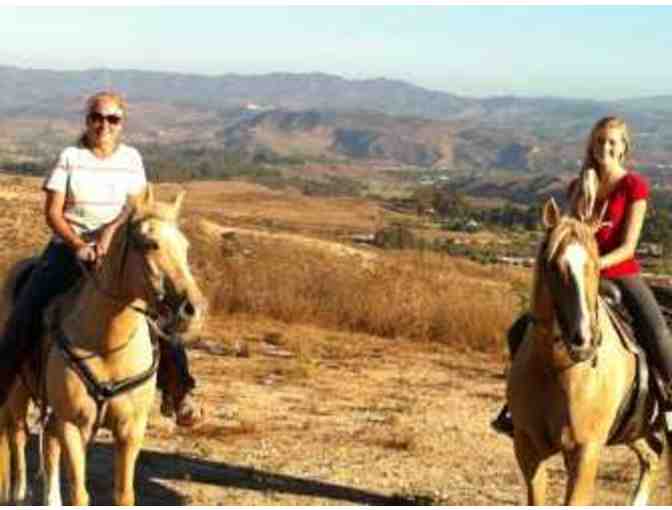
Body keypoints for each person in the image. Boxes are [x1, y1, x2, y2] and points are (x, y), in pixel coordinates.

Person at [0, 91, 200, 426]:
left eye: (112, 119)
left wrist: (108, 235)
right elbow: (53, 212)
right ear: (87, 120)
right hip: (68, 250)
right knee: (25, 311)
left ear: (121, 123)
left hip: (118, 251)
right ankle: (5, 387)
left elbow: (134, 209)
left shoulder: (132, 159)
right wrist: (79, 244)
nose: (103, 125)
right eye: (97, 118)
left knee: (162, 309)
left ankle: (179, 391)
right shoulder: (70, 157)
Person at [492, 116, 672, 436]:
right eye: (600, 141)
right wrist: (580, 195)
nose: (605, 147)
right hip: (579, 275)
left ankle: (668, 402)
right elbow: (567, 236)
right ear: (591, 145)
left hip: (618, 272)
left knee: (658, 333)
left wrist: (594, 266)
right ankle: (516, 405)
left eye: (612, 142)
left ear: (624, 148)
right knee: (521, 329)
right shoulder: (578, 185)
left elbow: (629, 247)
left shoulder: (634, 186)